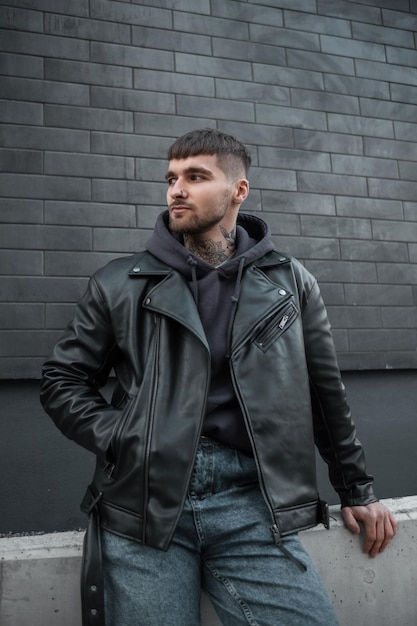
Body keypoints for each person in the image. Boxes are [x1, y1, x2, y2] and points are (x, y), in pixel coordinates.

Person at [40, 128, 396, 626]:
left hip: (251, 499)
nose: (176, 190)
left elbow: (323, 391)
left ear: (238, 190)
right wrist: (122, 435)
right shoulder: (119, 282)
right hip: (144, 501)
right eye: (171, 178)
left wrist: (357, 490)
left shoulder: (290, 281)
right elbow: (62, 380)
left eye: (196, 176)